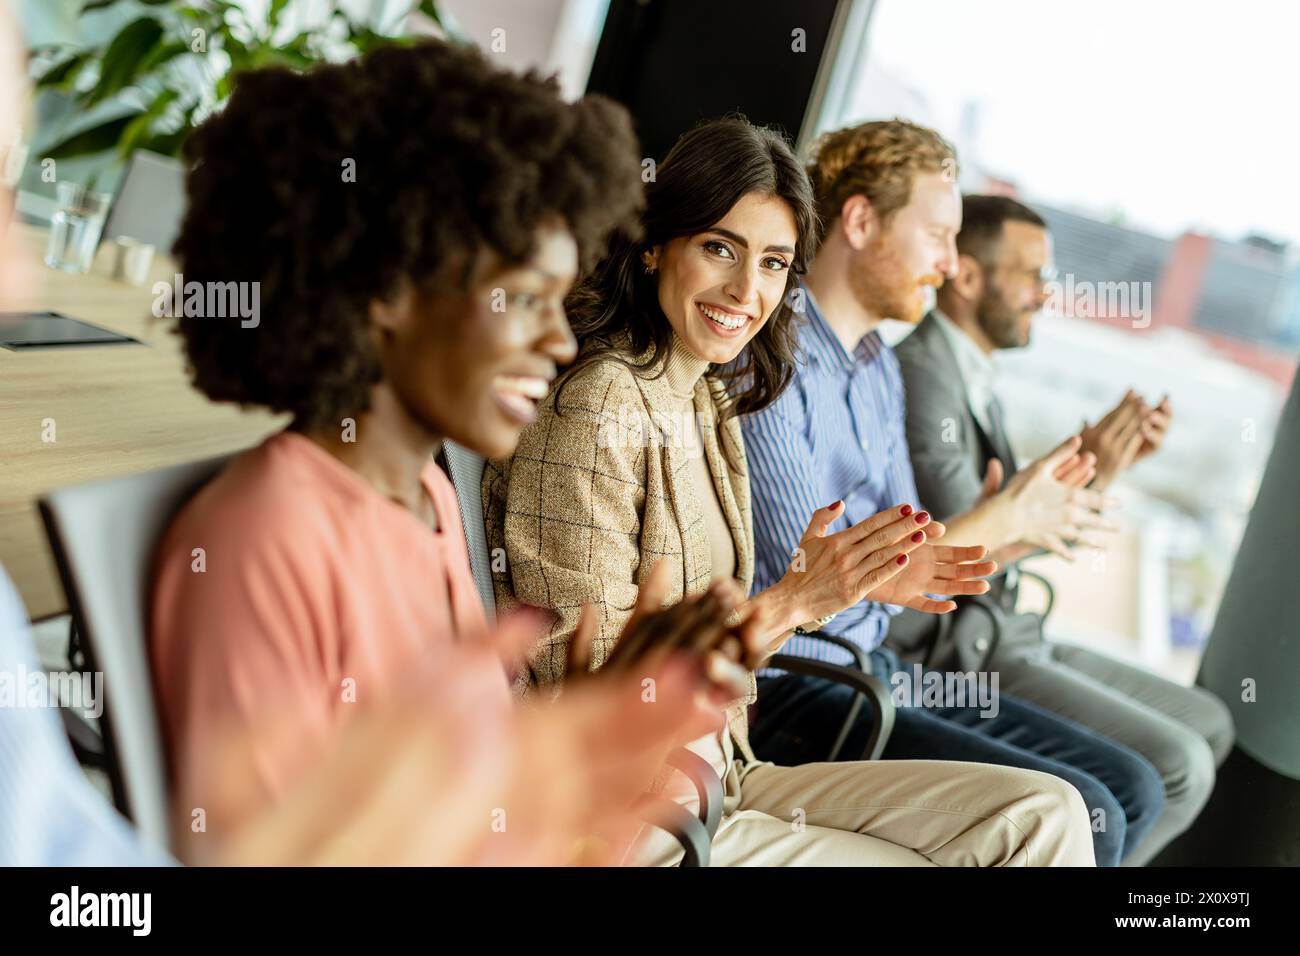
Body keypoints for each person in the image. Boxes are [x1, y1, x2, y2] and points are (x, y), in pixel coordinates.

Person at [148, 39, 754, 857]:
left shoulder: (425, 499)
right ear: (391, 287)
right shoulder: (263, 540)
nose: (559, 341)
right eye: (528, 299)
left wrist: (603, 732)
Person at [485, 116, 1098, 866]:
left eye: (774, 263)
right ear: (655, 245)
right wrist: (797, 602)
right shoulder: (601, 407)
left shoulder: (705, 402)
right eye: (720, 248)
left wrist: (828, 587)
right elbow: (592, 702)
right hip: (637, 813)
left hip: (730, 773)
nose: (747, 290)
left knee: (1047, 812)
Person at [739, 119, 1166, 865]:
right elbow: (808, 580)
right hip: (801, 686)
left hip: (874, 667)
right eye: (937, 235)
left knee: (1133, 787)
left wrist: (1020, 524)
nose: (947, 261)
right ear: (862, 221)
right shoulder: (773, 360)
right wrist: (1001, 519)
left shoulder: (877, 366)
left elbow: (913, 556)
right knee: (1094, 807)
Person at [895, 193, 1234, 865]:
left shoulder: (974, 374)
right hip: (961, 648)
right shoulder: (924, 371)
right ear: (967, 276)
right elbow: (976, 541)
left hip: (1009, 628)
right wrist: (1089, 469)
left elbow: (1015, 523)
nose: (1046, 296)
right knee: (1176, 766)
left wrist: (1099, 467)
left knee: (1211, 722)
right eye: (1032, 276)